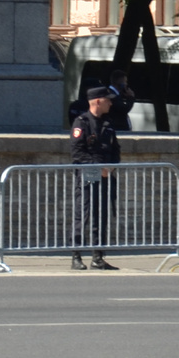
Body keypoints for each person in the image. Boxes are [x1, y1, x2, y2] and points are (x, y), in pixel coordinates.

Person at [70, 86, 120, 270]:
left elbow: (116, 149)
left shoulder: (108, 123)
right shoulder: (81, 122)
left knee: (102, 214)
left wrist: (112, 166)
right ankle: (76, 256)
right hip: (88, 171)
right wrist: (98, 168)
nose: (111, 102)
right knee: (83, 214)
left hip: (106, 172)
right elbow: (77, 153)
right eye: (108, 99)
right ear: (98, 101)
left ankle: (98, 257)